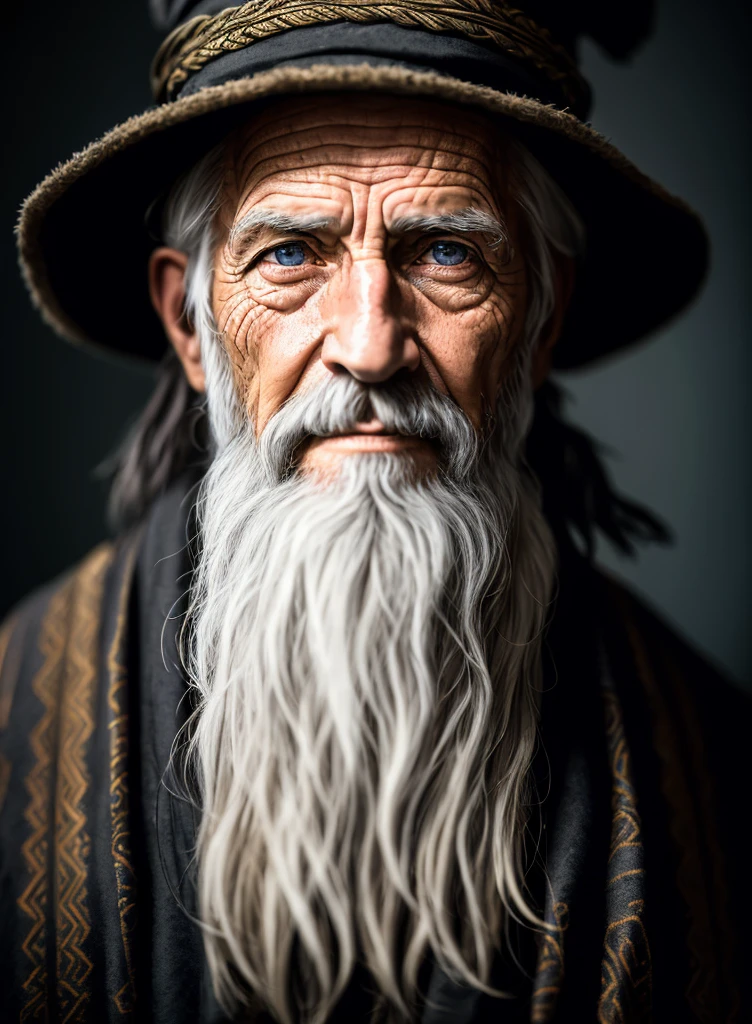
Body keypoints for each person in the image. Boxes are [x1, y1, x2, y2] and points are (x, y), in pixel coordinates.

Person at [1, 1, 748, 1021]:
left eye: (444, 252)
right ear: (189, 321)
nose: (368, 343)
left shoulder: (720, 773)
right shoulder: (7, 723)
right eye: (290, 254)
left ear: (540, 317)